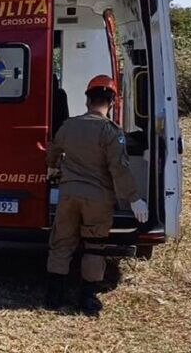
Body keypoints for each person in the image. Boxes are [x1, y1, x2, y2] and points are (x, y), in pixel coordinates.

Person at [44, 74, 149, 315]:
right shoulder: (110, 131)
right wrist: (134, 198)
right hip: (97, 199)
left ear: (87, 100)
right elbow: (119, 168)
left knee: (61, 244)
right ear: (111, 102)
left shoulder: (69, 125)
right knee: (94, 246)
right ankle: (87, 299)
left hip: (68, 195)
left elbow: (53, 150)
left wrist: (51, 166)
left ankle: (53, 297)